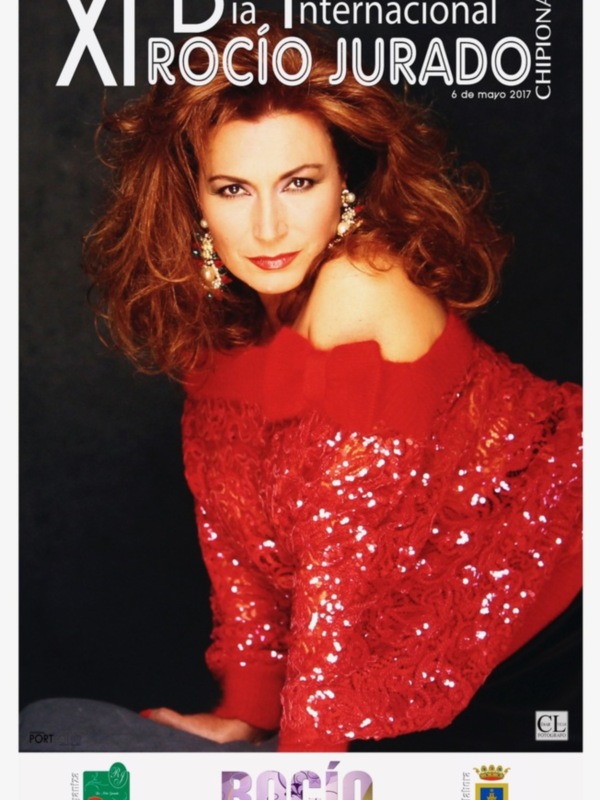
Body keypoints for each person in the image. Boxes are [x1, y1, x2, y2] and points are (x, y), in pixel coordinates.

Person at [48, 15, 584, 752]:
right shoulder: (226, 329)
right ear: (193, 199)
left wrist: (301, 762)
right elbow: (235, 543)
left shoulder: (362, 285)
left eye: (299, 182)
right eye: (234, 189)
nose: (269, 227)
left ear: (345, 183)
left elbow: (343, 560)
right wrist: (245, 711)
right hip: (454, 666)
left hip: (564, 619)